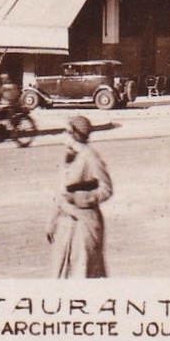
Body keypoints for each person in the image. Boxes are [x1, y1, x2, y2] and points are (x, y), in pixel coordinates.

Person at [48, 115, 113, 278]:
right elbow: (60, 192)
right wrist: (51, 221)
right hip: (65, 224)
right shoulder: (69, 156)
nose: (64, 135)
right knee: (62, 275)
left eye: (67, 131)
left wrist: (82, 198)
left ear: (73, 134)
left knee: (84, 274)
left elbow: (106, 189)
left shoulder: (90, 156)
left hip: (85, 225)